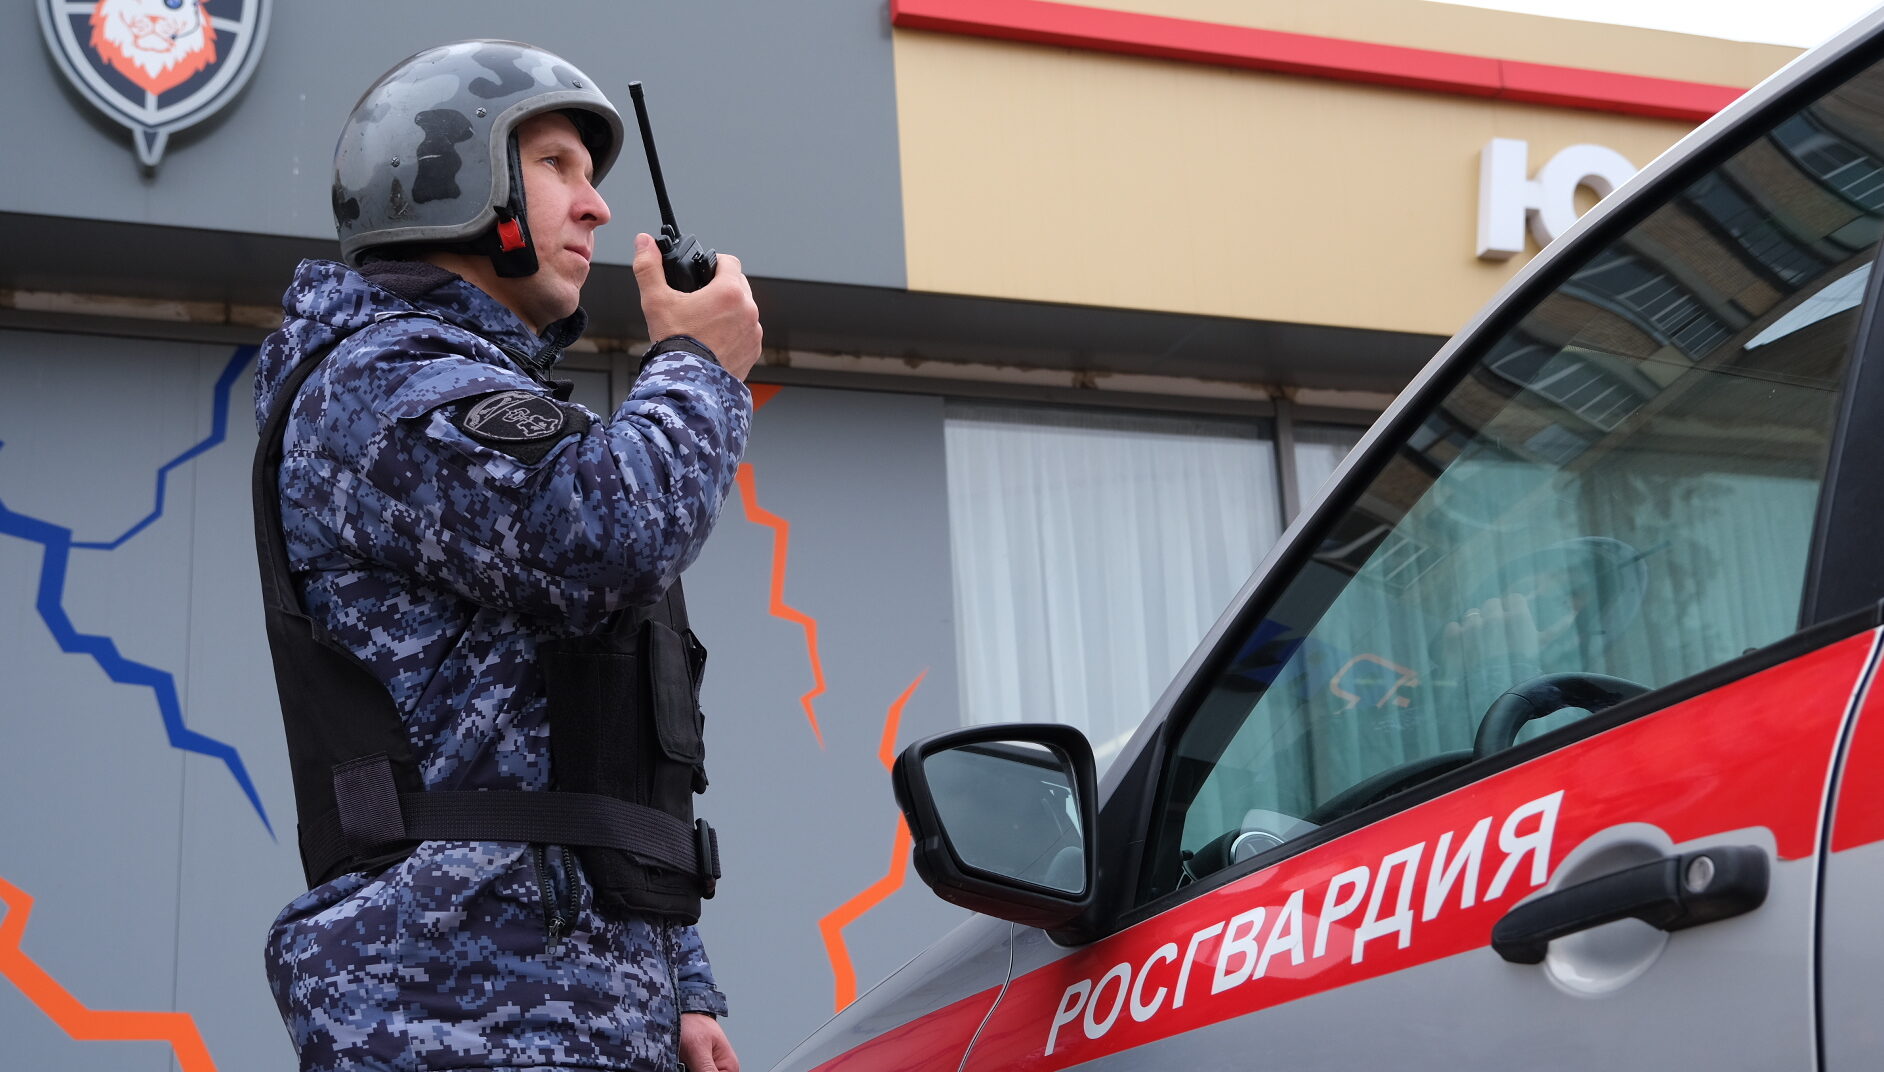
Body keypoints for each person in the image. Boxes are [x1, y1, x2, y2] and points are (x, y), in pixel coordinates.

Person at [251, 40, 758, 1072]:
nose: (596, 206)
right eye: (557, 165)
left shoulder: (468, 390)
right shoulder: (383, 380)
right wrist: (700, 366)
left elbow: (570, 736)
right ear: (450, 178)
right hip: (453, 1005)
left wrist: (680, 984)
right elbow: (610, 536)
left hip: (562, 997)